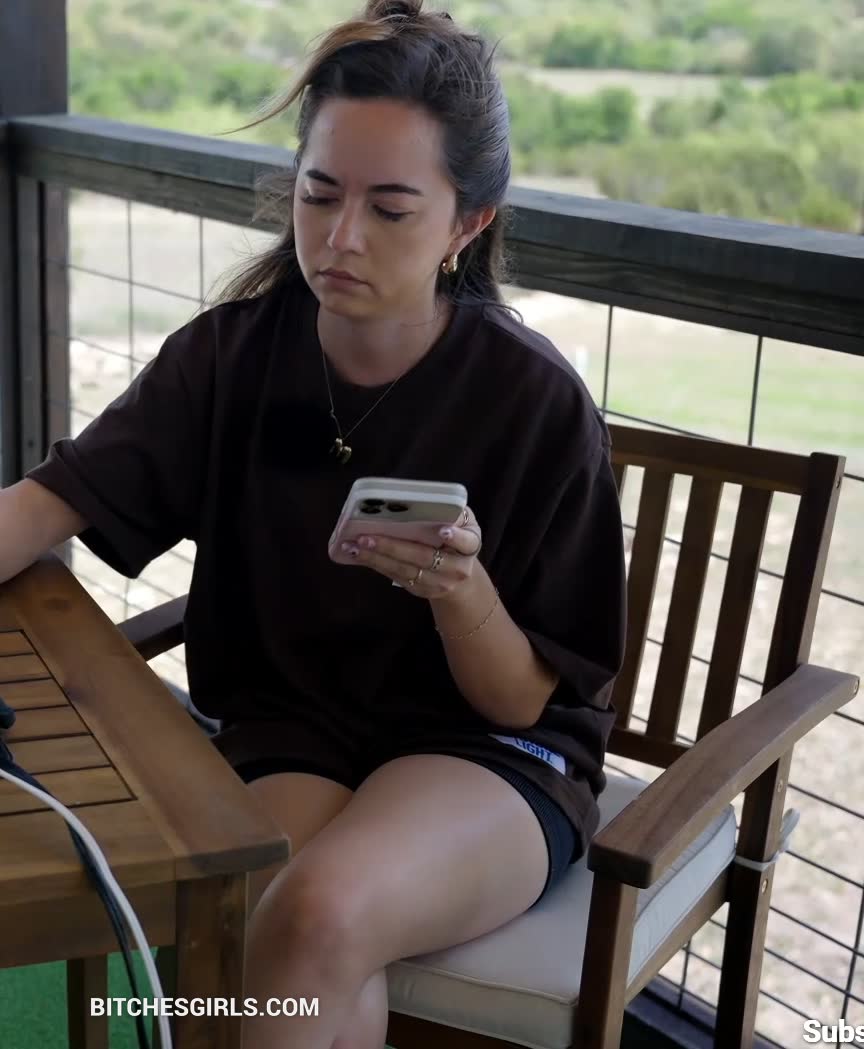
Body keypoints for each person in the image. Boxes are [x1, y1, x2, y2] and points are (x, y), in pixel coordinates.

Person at [0, 1, 626, 1046]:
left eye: (391, 209)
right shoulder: (229, 358)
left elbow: (520, 698)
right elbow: (37, 507)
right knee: (267, 925)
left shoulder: (532, 401)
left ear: (467, 224)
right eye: (319, 192)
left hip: (490, 752)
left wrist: (461, 592)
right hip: (293, 732)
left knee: (316, 913)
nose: (339, 238)